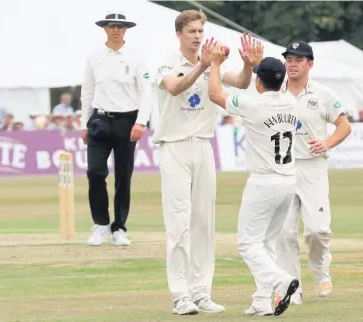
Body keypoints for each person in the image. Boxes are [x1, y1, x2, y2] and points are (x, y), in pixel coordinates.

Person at [153, 9, 262, 316]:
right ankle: (180, 294)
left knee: (203, 222)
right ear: (179, 35)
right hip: (174, 147)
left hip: (203, 146)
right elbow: (174, 87)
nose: (198, 36)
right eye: (192, 32)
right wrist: (203, 66)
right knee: (179, 222)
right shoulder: (167, 62)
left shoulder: (210, 62)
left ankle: (201, 292)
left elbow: (240, 83)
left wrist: (247, 65)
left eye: (201, 31)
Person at [208, 44, 300, 316]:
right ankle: (261, 301)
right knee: (266, 244)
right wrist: (259, 64)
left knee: (248, 244)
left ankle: (280, 282)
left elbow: (215, 93)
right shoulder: (290, 101)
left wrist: (214, 64)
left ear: (259, 80)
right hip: (288, 182)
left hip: (264, 182)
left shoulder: (253, 104)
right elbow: (271, 89)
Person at [274, 41, 352, 304]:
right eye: (289, 59)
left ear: (310, 64)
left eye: (298, 59)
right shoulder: (274, 92)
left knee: (317, 231)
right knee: (284, 233)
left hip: (312, 167)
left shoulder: (322, 93)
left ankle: (321, 273)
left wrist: (327, 143)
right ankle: (291, 287)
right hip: (281, 170)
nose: (292, 64)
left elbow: (344, 125)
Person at [80, 13, 151, 246]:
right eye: (112, 27)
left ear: (125, 30)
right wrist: (84, 123)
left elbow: (145, 92)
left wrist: (141, 121)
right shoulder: (94, 57)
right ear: (105, 29)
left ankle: (119, 227)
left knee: (123, 177)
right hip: (99, 120)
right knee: (95, 172)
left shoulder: (136, 56)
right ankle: (101, 224)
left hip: (127, 121)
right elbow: (87, 92)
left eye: (120, 27)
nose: (116, 30)